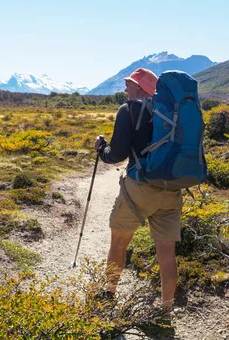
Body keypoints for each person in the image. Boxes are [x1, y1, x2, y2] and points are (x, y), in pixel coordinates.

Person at [93, 67, 183, 311]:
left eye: (129, 84)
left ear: (141, 87)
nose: (125, 88)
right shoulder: (173, 113)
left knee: (119, 242)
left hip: (139, 188)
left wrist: (101, 149)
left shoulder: (129, 110)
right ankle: (166, 312)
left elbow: (117, 155)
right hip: (172, 189)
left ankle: (108, 296)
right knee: (166, 253)